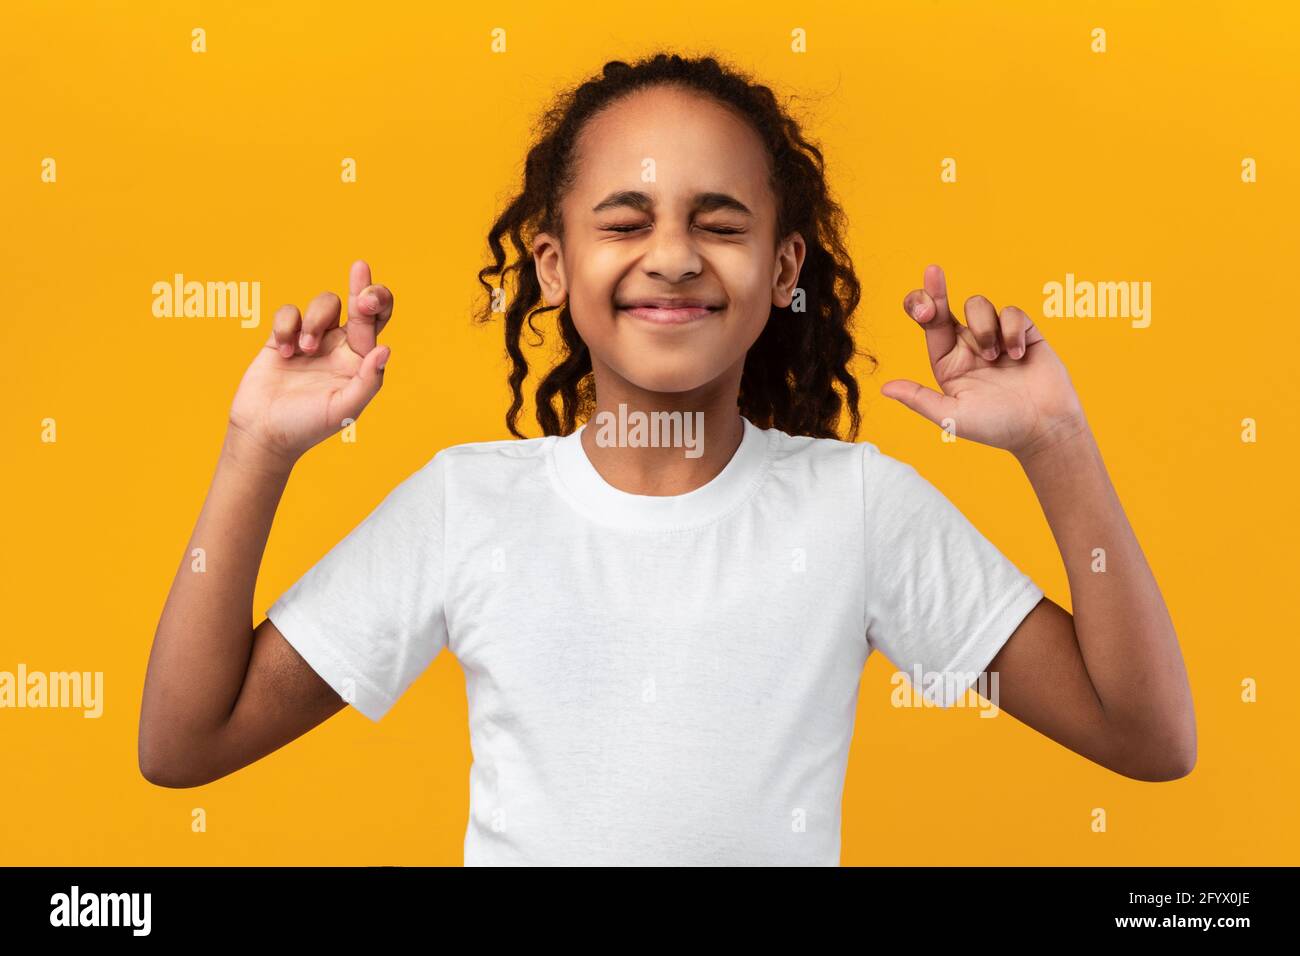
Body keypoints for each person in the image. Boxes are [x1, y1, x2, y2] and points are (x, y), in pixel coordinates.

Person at [139, 52, 1196, 866]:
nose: (675, 254)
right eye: (626, 220)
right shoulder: (469, 506)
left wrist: (1057, 445)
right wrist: (256, 449)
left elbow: (1146, 735)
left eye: (719, 222)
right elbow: (185, 742)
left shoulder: (856, 508)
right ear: (552, 266)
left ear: (784, 267)